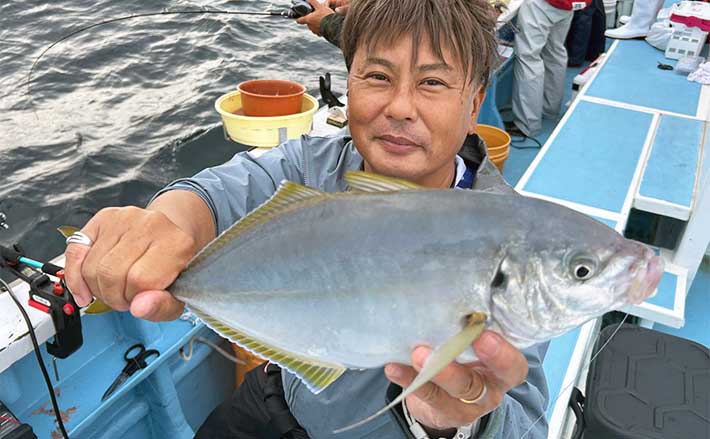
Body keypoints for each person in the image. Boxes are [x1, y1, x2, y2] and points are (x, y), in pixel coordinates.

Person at [63, 0, 549, 438]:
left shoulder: (515, 241)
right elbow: (209, 197)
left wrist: (451, 425)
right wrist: (164, 225)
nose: (400, 107)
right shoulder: (312, 167)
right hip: (277, 399)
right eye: (377, 76)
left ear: (474, 104)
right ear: (349, 82)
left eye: (434, 83)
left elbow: (522, 420)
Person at [509, 0, 591, 138]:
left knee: (529, 58)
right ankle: (549, 110)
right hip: (569, 5)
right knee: (555, 52)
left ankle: (527, 125)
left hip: (543, 4)